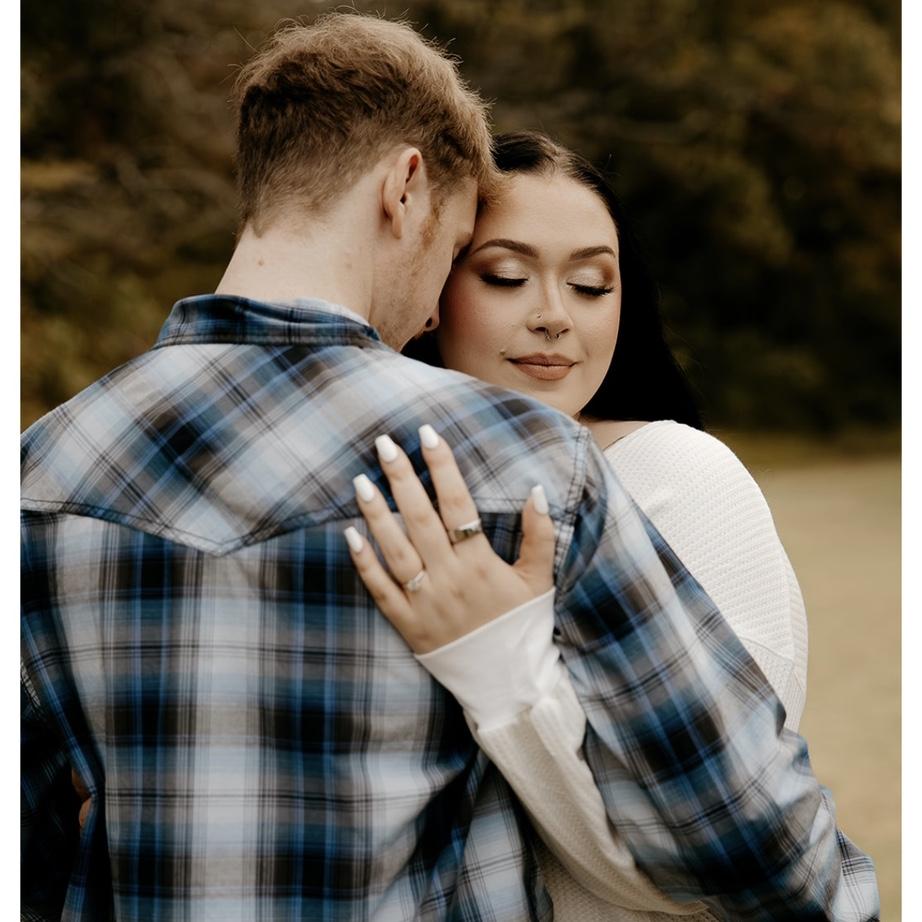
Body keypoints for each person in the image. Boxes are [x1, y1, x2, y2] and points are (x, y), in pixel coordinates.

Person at [20, 12, 878, 922]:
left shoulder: (40, 475)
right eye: (468, 252)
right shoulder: (516, 460)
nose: (432, 308)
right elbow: (765, 850)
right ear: (404, 188)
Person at [350, 134, 867, 918]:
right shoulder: (387, 483)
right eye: (506, 276)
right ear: (432, 287)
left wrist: (502, 665)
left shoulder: (678, 477)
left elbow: (721, 850)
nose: (554, 316)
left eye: (591, 284)